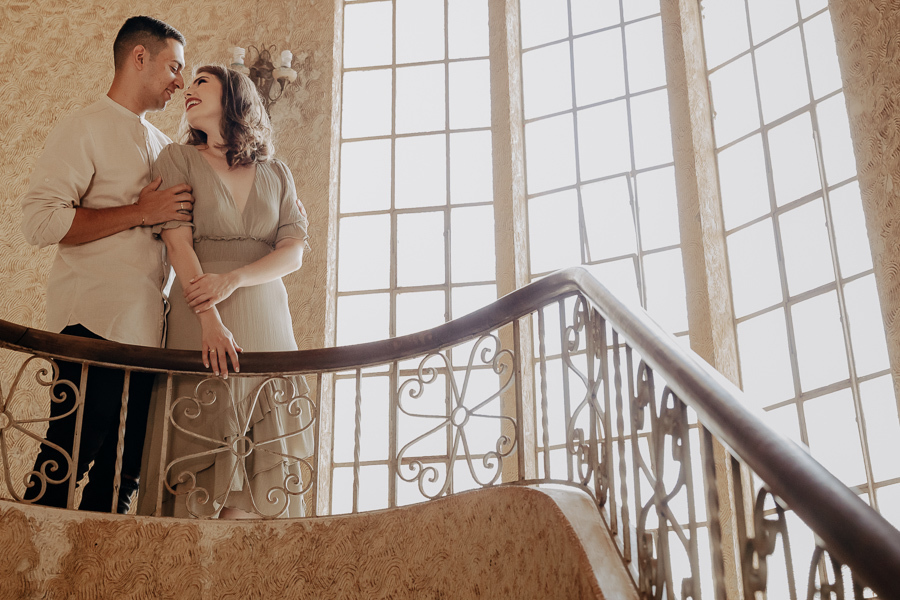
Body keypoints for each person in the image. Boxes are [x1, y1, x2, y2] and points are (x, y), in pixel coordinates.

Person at [19, 16, 192, 514]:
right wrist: (141, 211)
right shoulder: (83, 127)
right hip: (90, 326)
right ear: (139, 57)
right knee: (66, 459)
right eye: (173, 67)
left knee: (124, 474)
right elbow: (39, 222)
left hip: (148, 339)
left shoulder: (164, 148)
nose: (179, 82)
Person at [137, 65, 313, 519]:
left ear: (234, 95)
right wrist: (211, 321)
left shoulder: (278, 172)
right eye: (188, 84)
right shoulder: (177, 158)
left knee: (260, 483)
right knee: (201, 472)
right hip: (199, 317)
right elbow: (177, 242)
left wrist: (233, 279)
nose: (188, 91)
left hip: (266, 320)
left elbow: (293, 253)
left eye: (201, 82)